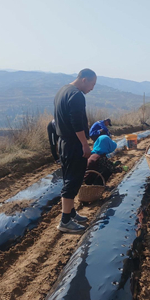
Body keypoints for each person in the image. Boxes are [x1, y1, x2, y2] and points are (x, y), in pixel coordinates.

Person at [54, 68, 97, 233]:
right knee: (73, 181)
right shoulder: (77, 95)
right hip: (73, 144)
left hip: (64, 143)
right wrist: (84, 145)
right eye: (92, 84)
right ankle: (65, 221)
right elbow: (76, 123)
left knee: (68, 178)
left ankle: (71, 213)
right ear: (84, 79)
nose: (92, 88)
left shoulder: (63, 91)